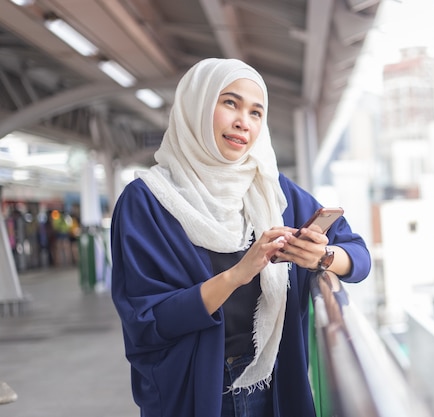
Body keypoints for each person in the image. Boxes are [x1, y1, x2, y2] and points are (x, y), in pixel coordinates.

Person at [110, 58, 371, 417]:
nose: (242, 122)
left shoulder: (273, 192)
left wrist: (322, 258)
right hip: (194, 391)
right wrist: (236, 275)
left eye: (255, 112)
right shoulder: (147, 201)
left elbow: (359, 256)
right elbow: (147, 320)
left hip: (274, 383)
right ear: (197, 105)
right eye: (230, 103)